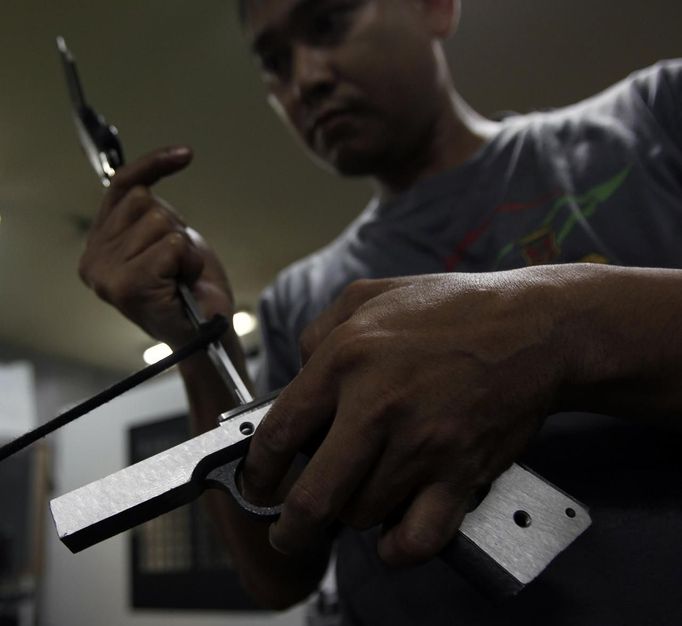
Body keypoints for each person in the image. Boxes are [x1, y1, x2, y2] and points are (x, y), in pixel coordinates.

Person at [78, 0, 682, 623]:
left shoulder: (655, 120)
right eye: (275, 64)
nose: (305, 79)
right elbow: (279, 573)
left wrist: (555, 331)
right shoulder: (298, 300)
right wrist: (201, 345)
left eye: (328, 22)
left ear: (435, 8)